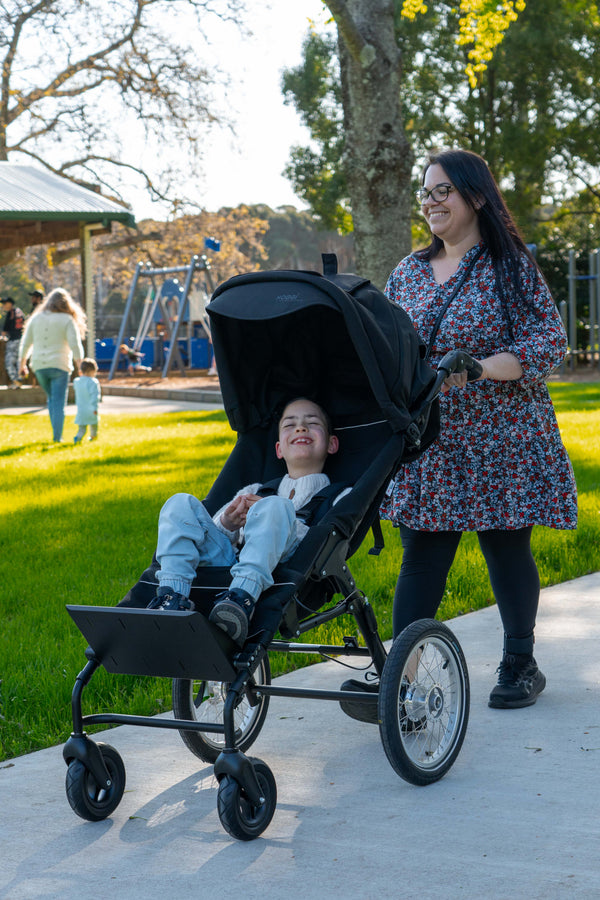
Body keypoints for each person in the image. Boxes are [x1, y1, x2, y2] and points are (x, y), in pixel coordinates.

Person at [342, 147, 577, 718]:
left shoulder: (510, 265)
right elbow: (387, 349)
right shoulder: (408, 271)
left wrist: (480, 367)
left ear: (476, 196)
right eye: (426, 193)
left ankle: (520, 662)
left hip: (504, 434)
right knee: (421, 555)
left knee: (505, 545)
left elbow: (548, 342)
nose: (431, 202)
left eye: (442, 190)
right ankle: (403, 673)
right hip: (432, 439)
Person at [148, 397, 349, 645]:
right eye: (290, 424)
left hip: (280, 572)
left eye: (312, 422)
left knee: (276, 506)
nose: (300, 428)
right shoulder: (255, 489)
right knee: (179, 503)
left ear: (332, 443)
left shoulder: (339, 496)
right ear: (278, 449)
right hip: (226, 562)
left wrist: (270, 512)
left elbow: (323, 543)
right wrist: (227, 524)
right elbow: (207, 532)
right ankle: (172, 597)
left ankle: (241, 598)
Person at [18, 288, 85, 443]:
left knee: (51, 399)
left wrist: (23, 364)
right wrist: (80, 365)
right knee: (58, 401)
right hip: (60, 365)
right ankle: (57, 437)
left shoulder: (36, 318)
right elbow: (75, 345)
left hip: (39, 366)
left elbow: (26, 343)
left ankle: (56, 434)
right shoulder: (67, 319)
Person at [73, 358, 101, 443]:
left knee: (82, 428)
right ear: (92, 370)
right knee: (93, 425)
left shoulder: (77, 381)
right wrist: (95, 408)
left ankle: (78, 437)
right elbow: (95, 396)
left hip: (81, 409)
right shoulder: (93, 382)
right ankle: (93, 437)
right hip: (91, 409)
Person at [1, 297, 25, 387]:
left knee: (9, 362)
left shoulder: (11, 313)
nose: (3, 306)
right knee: (19, 361)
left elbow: (4, 331)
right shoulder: (19, 311)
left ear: (10, 303)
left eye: (5, 303)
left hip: (14, 341)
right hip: (22, 340)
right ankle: (19, 380)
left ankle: (16, 380)